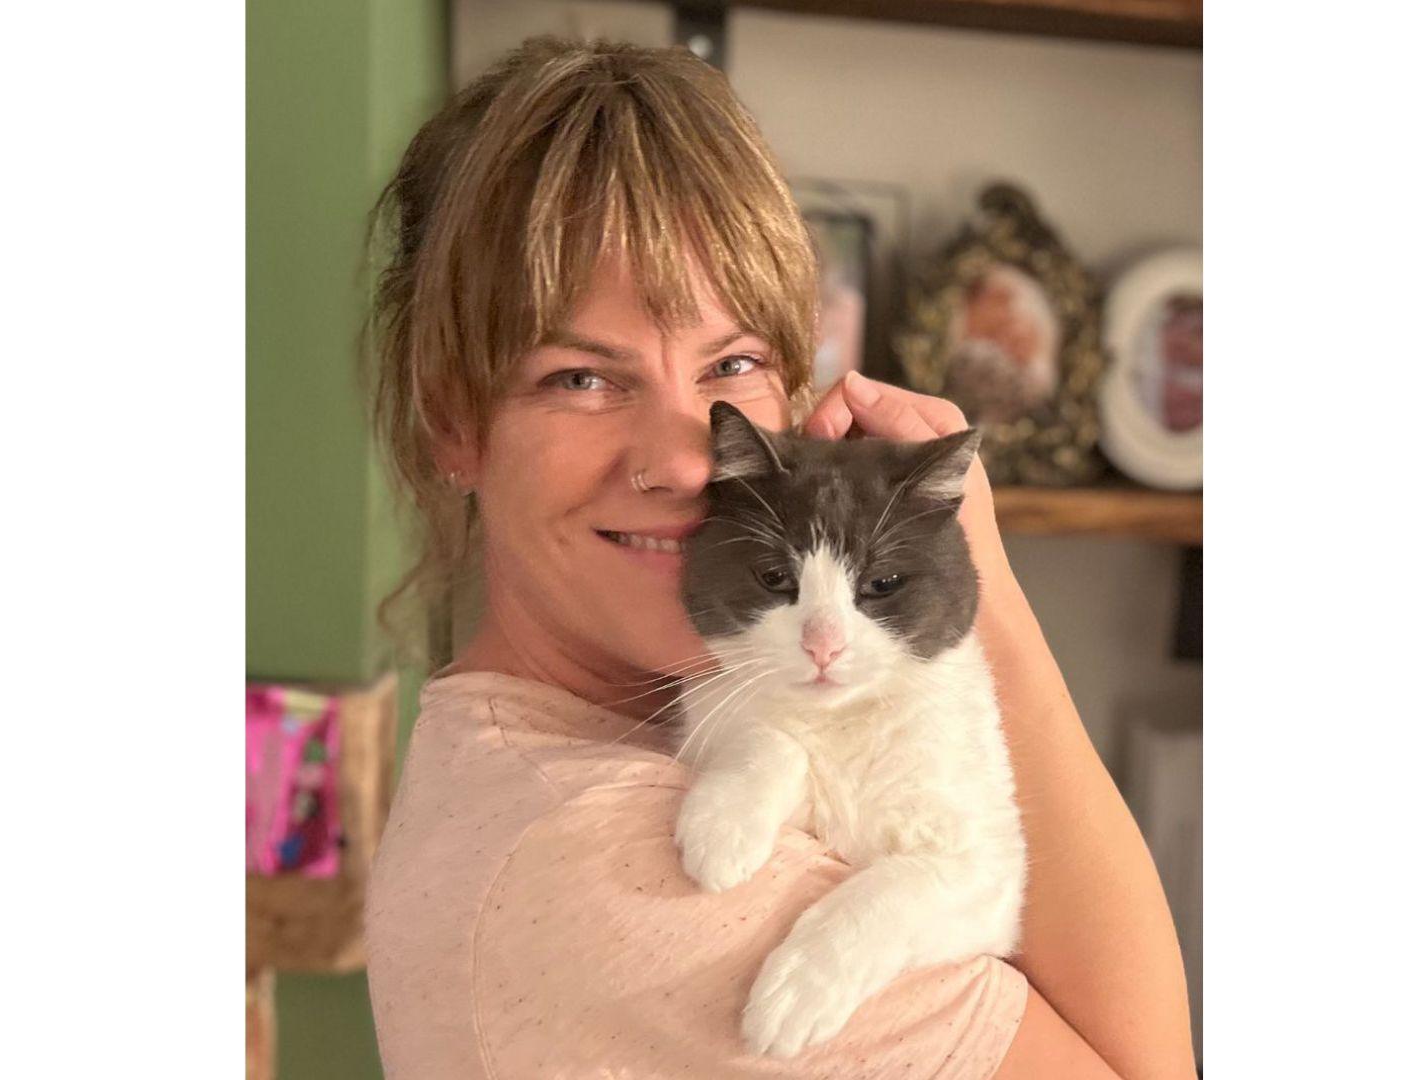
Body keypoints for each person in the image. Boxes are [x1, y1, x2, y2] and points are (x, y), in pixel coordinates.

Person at [362, 36, 1196, 1079]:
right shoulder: (621, 863)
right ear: (453, 420)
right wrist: (993, 607)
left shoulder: (629, 735)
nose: (683, 459)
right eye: (581, 378)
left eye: (735, 363)